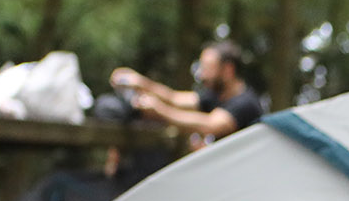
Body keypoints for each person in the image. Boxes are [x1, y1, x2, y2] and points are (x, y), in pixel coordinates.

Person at [111, 40, 265, 149]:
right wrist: (140, 82)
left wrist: (160, 111)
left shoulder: (246, 103)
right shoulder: (215, 95)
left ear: (228, 70)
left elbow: (210, 124)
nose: (202, 75)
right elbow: (174, 98)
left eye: (208, 68)